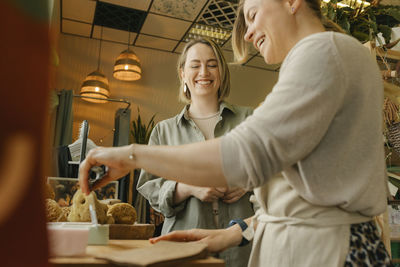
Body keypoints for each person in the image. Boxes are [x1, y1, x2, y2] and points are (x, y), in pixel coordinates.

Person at [79, 0, 392, 265]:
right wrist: (230, 234)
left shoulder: (323, 51)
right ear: (183, 76)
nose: (249, 31)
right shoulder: (328, 54)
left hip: (330, 252)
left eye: (253, 16)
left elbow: (245, 154)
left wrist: (131, 155)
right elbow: (299, 198)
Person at [136, 38, 254, 267]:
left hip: (243, 250)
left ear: (221, 71)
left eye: (212, 64)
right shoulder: (164, 131)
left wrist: (248, 181)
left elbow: (278, 173)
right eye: (195, 65)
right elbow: (150, 189)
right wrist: (188, 187)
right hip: (184, 252)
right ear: (182, 73)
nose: (204, 72)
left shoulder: (249, 119)